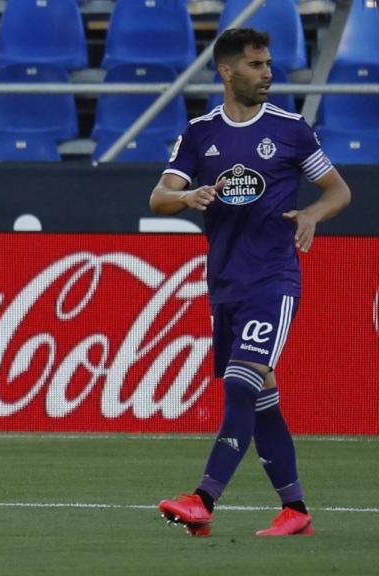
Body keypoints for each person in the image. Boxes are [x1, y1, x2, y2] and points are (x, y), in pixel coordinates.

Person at [149, 28, 351, 537]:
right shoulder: (199, 132)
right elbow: (159, 197)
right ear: (227, 71)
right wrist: (186, 196)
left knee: (241, 384)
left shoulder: (290, 129)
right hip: (225, 284)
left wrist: (311, 214)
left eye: (268, 64)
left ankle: (202, 499)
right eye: (257, 65)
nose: (268, 74)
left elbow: (337, 189)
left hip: (273, 278)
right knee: (259, 394)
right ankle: (296, 509)